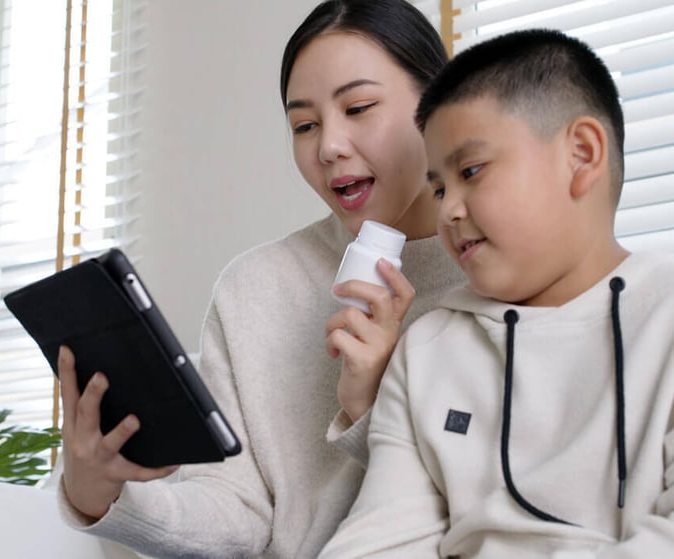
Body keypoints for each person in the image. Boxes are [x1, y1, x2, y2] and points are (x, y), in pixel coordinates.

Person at [319, 29, 674, 558]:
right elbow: (374, 545)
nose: (447, 210)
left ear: (581, 155)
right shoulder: (427, 351)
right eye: (440, 187)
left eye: (471, 172)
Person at [55, 1, 465, 557]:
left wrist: (374, 410)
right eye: (304, 125)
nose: (329, 147)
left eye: (360, 106)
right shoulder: (254, 287)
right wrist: (102, 495)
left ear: (438, 102)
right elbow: (238, 512)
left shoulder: (501, 276)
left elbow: (503, 507)